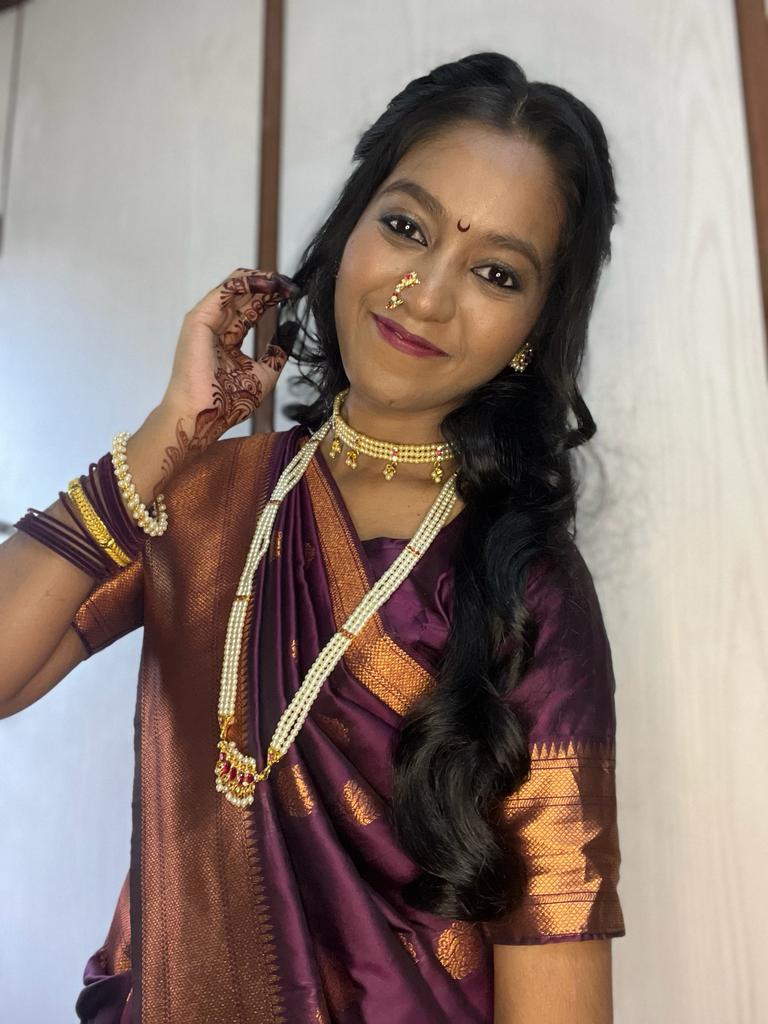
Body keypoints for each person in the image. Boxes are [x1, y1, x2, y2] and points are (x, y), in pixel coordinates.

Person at [0, 51, 625, 1023]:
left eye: (495, 272)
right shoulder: (210, 496)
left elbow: (557, 974)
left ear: (533, 332)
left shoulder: (526, 584)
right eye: (406, 226)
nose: (427, 292)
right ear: (350, 226)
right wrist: (171, 431)